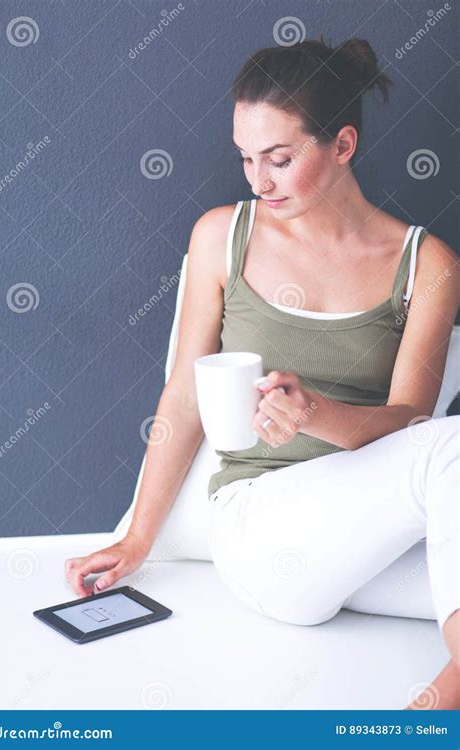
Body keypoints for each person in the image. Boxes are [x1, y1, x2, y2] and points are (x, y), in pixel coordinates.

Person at [65, 37, 459, 709]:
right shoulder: (223, 235)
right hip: (259, 530)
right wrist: (136, 537)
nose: (257, 181)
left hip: (361, 546)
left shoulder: (428, 265)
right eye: (247, 158)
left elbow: (411, 428)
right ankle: (435, 711)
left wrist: (317, 415)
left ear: (341, 144)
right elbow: (184, 393)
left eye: (279, 158)